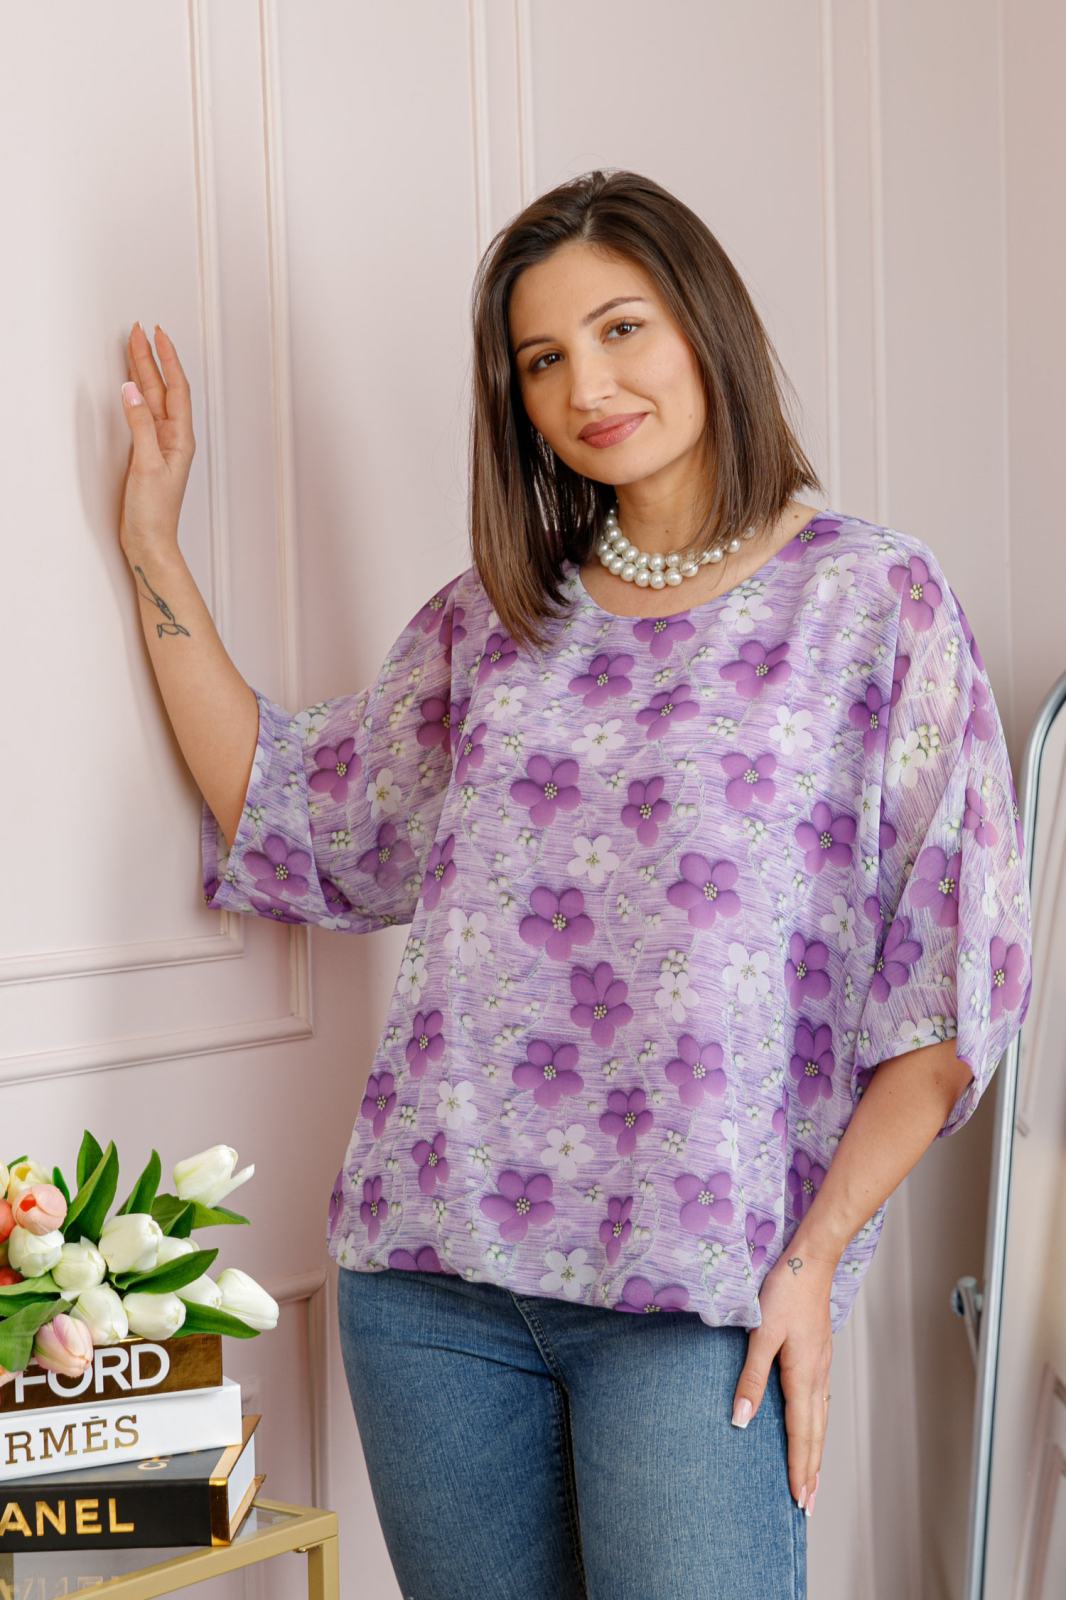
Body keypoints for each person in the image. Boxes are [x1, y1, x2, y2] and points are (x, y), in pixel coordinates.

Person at [118, 169, 1031, 1600]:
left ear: (705, 325)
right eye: (542, 358)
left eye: (620, 329)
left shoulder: (870, 603)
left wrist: (810, 1264)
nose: (587, 386)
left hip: (697, 1298)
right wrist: (153, 546)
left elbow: (949, 996)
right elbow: (298, 812)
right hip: (431, 1287)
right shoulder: (494, 619)